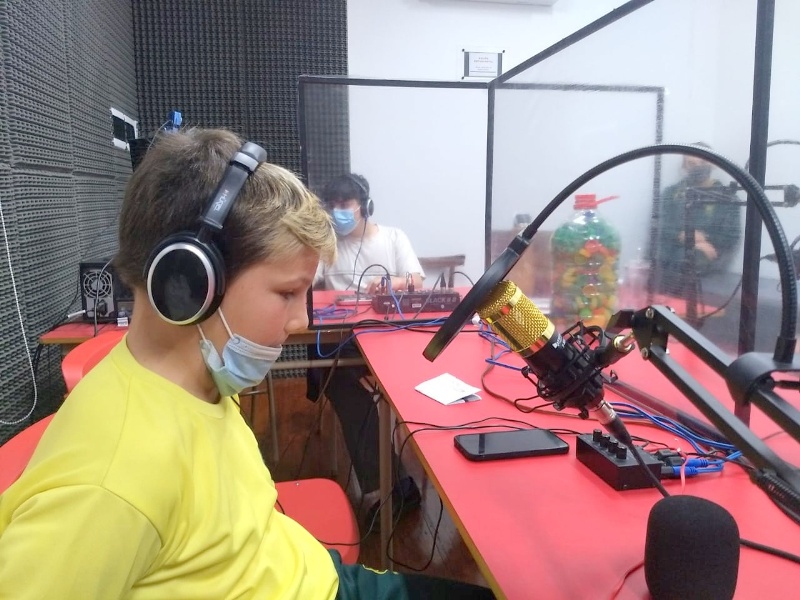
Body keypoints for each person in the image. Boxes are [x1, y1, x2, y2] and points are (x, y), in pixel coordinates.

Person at [0, 129, 494, 599]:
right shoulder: (111, 480)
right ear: (188, 283)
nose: (302, 320)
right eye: (287, 293)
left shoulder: (198, 380)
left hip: (303, 569)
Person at [310, 173, 424, 525]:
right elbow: (305, 282)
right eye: (332, 206)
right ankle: (386, 488)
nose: (338, 212)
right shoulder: (327, 245)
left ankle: (400, 483)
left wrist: (391, 283)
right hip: (344, 343)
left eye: (344, 204)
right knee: (341, 384)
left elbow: (416, 281)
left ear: (365, 206)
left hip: (388, 338)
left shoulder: (393, 237)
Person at [654, 146, 742, 295]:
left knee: (685, 259)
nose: (698, 167)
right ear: (684, 166)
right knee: (668, 257)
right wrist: (689, 238)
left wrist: (703, 239)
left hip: (708, 256)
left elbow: (731, 237)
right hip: (671, 252)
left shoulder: (728, 197)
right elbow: (662, 227)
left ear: (713, 163)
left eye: (702, 162)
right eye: (691, 163)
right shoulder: (671, 193)